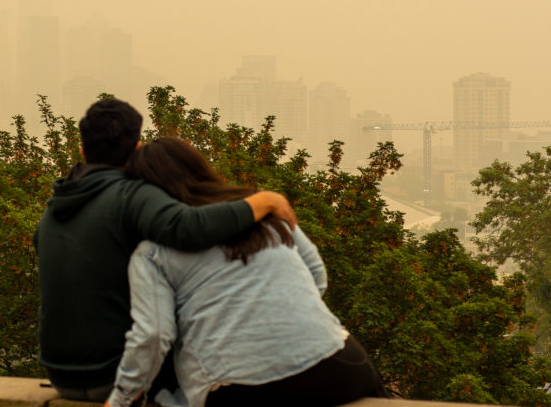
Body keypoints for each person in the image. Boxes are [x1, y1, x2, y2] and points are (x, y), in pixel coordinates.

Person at [35, 99, 297, 403]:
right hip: (116, 378)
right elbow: (187, 227)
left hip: (61, 376)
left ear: (82, 151)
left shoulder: (52, 211)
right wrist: (261, 202)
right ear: (137, 149)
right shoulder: (130, 195)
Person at [105, 136, 387, 407]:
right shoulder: (260, 209)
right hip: (336, 367)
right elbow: (316, 274)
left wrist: (120, 399)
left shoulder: (152, 252)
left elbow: (154, 335)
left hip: (238, 388)